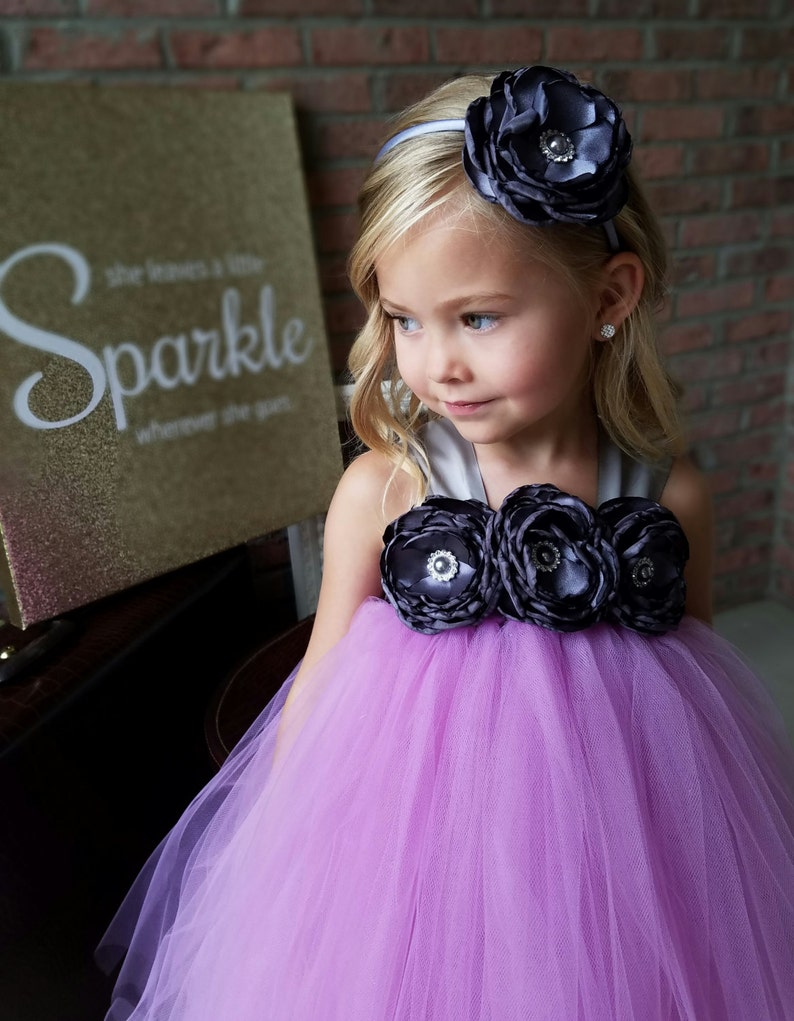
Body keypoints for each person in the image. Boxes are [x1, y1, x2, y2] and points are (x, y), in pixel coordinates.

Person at [98, 65, 794, 1020]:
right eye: (403, 320)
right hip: (418, 861)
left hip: (614, 861)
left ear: (609, 297)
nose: (436, 364)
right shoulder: (386, 489)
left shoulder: (671, 496)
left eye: (478, 317)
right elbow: (323, 679)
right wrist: (285, 842)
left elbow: (696, 679)